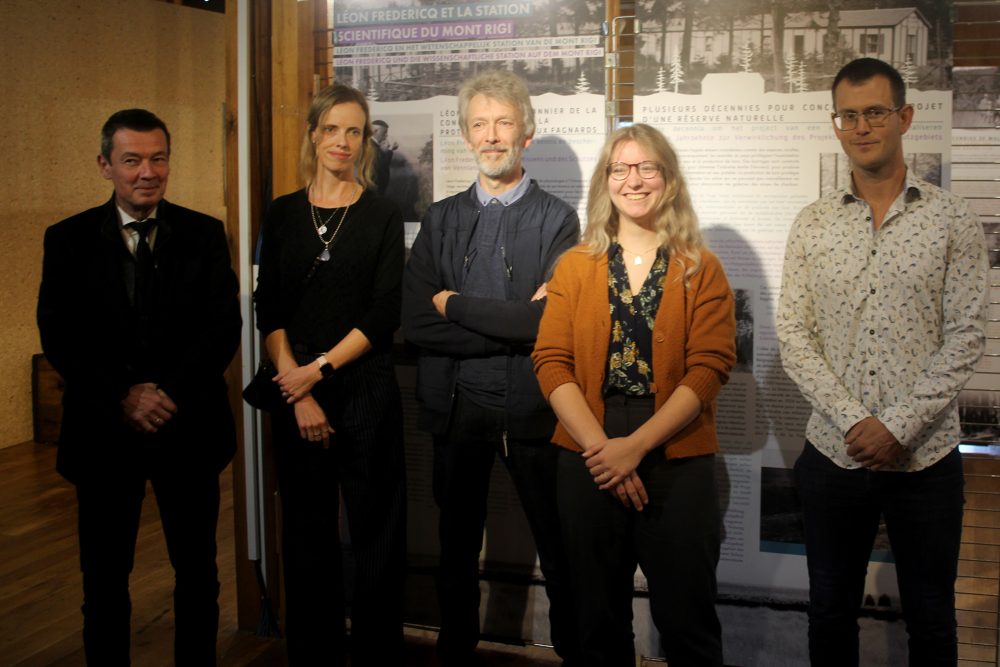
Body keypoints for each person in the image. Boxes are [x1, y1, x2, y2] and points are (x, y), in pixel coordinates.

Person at [777, 58, 989, 666]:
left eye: (874, 112)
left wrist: (897, 425)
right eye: (848, 115)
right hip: (833, 454)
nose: (862, 126)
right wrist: (852, 420)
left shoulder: (951, 220)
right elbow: (794, 334)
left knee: (931, 620)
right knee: (830, 614)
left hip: (926, 459)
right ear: (836, 124)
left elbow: (966, 334)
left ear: (904, 116)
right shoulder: (813, 224)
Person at [37, 109, 241, 665]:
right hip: (104, 433)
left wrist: (164, 392)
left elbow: (222, 325)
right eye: (132, 160)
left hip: (187, 427)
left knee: (198, 575)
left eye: (158, 158)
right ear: (106, 166)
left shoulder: (202, 234)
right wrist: (123, 395)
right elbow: (60, 335)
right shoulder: (69, 239)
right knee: (103, 582)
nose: (147, 172)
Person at [532, 123, 736, 667]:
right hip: (586, 448)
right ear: (606, 182)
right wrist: (604, 450)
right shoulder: (575, 266)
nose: (634, 179)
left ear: (668, 179)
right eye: (620, 168)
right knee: (595, 622)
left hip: (675, 447)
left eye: (647, 167)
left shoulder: (700, 267)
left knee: (687, 622)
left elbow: (711, 366)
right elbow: (552, 363)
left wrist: (635, 447)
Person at [402, 70, 581, 665]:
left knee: (557, 549)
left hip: (532, 410)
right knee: (454, 550)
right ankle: (456, 654)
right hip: (455, 411)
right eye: (480, 123)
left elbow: (546, 327)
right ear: (465, 135)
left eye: (504, 122)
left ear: (525, 132)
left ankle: (576, 654)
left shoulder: (559, 222)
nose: (492, 135)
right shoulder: (440, 218)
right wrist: (506, 330)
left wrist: (454, 306)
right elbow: (415, 324)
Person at [253, 84, 406, 665]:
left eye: (355, 131)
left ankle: (376, 655)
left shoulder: (382, 213)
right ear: (313, 134)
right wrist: (296, 386)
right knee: (306, 535)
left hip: (364, 387)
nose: (342, 142)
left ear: (365, 142)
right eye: (332, 129)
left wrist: (318, 370)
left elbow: (384, 310)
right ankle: (312, 653)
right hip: (297, 394)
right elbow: (269, 308)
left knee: (378, 534)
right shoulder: (284, 213)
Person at [371, 119, 396, 195]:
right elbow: (381, 165)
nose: (386, 136)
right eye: (384, 133)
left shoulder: (373, 145)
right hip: (374, 190)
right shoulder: (371, 147)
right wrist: (390, 150)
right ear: (375, 131)